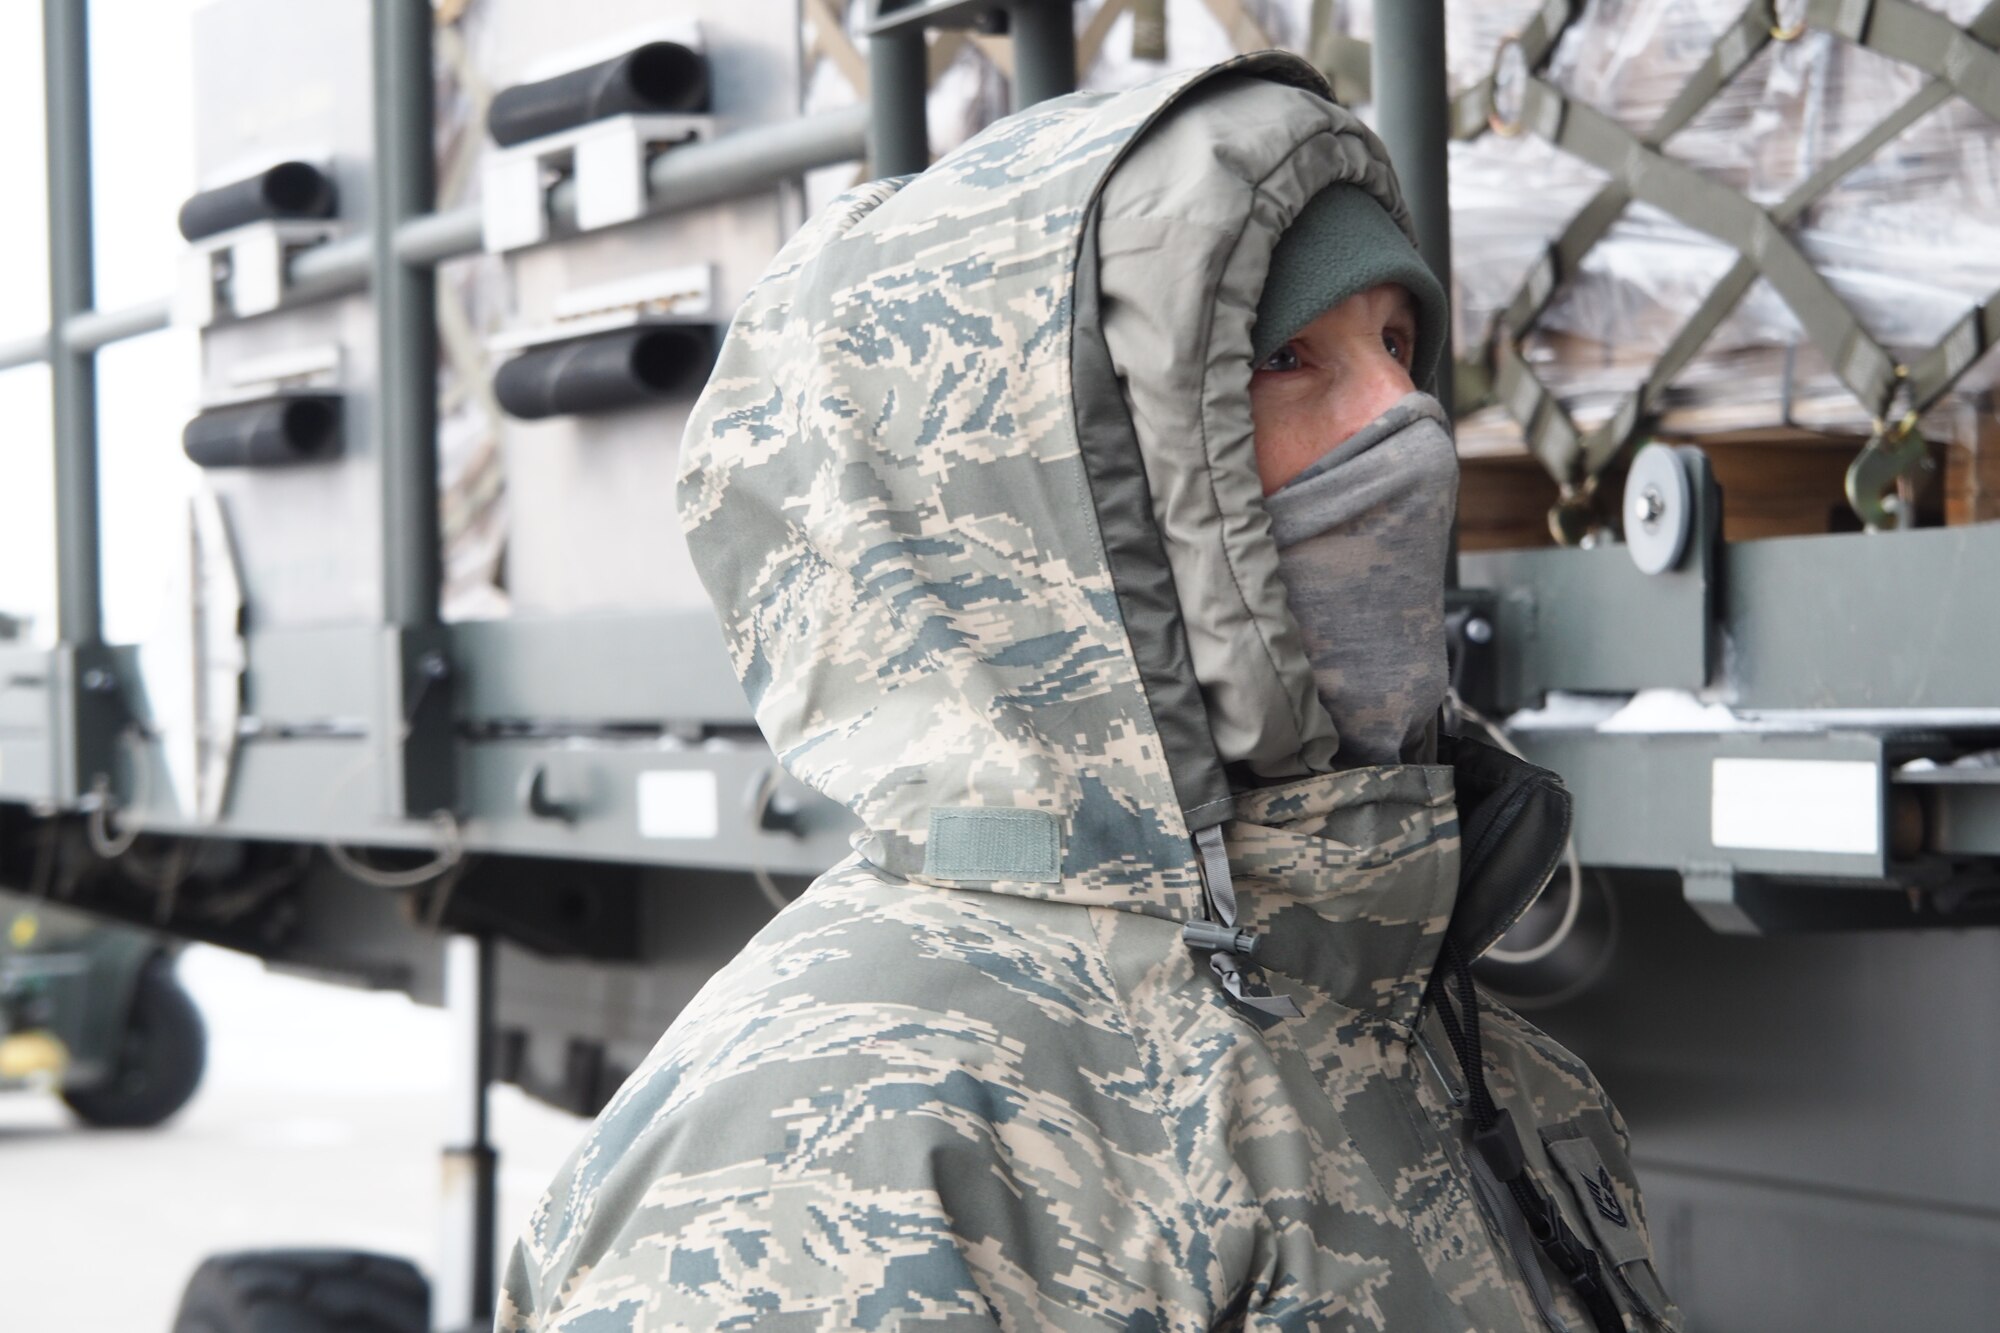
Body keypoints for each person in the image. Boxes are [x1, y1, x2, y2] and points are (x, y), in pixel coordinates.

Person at [499, 52, 1680, 1332]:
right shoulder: (839, 1146)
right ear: (1073, 497)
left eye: (1398, 344)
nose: (1404, 419)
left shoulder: (1457, 1046)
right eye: (1289, 357)